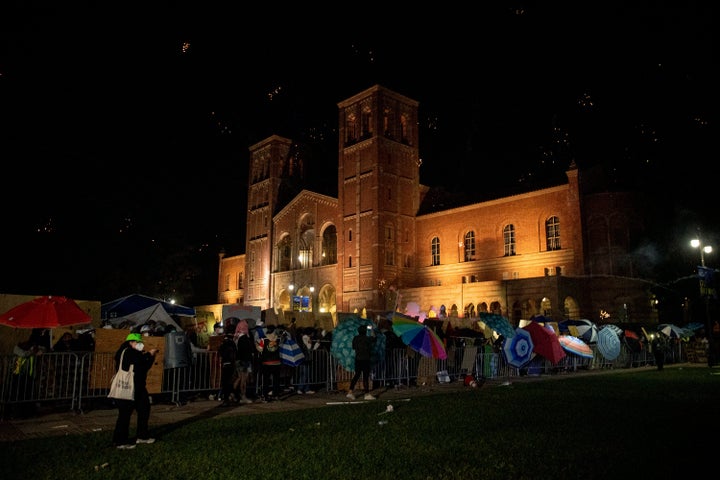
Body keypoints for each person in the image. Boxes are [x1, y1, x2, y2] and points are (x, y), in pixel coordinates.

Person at [112, 332, 159, 449]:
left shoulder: (129, 353)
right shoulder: (129, 352)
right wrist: (150, 354)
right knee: (125, 415)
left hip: (137, 388)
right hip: (130, 388)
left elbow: (143, 365)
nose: (140, 345)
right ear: (131, 343)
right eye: (138, 342)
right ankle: (120, 441)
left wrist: (149, 356)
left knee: (143, 409)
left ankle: (142, 436)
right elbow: (142, 363)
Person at [346, 325, 377, 400]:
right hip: (365, 359)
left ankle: (350, 392)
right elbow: (374, 338)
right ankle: (366, 394)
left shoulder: (355, 338)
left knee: (356, 375)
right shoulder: (367, 338)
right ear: (365, 331)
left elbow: (353, 347)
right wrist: (372, 329)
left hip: (358, 359)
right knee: (365, 377)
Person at [256, 326, 282, 401]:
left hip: (266, 362)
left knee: (266, 381)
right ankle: (276, 395)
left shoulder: (264, 339)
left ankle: (265, 396)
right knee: (276, 380)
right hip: (276, 362)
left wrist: (256, 345)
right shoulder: (278, 339)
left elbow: (260, 349)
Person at [233, 319, 255, 403]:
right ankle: (243, 396)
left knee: (239, 378)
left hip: (239, 360)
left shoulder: (236, 337)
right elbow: (245, 351)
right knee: (243, 380)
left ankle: (232, 394)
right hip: (244, 361)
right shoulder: (243, 338)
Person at [218, 332, 238, 406]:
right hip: (231, 364)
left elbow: (220, 352)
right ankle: (234, 396)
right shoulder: (232, 344)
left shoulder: (223, 344)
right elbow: (235, 353)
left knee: (225, 382)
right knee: (230, 381)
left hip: (225, 364)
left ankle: (227, 399)